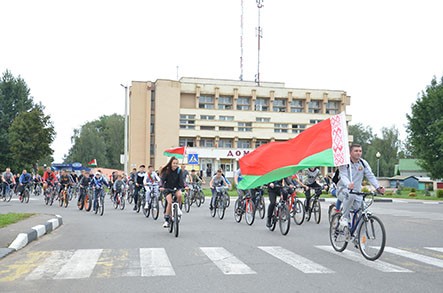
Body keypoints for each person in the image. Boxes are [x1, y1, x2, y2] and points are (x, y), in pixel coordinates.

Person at [338, 144, 385, 229]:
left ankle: (359, 239)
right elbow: (343, 175)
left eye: (360, 151)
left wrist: (378, 187)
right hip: (343, 190)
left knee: (363, 214)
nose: (358, 153)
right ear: (350, 152)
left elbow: (370, 176)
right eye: (356, 151)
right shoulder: (345, 163)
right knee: (351, 195)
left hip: (357, 192)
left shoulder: (363, 163)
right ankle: (344, 217)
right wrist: (348, 184)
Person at [159, 157, 186, 228]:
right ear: (171, 163)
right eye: (174, 163)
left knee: (180, 195)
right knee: (170, 202)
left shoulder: (179, 171)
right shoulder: (167, 170)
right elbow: (162, 179)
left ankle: (178, 209)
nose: (175, 165)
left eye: (176, 163)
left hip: (176, 188)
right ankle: (167, 220)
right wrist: (161, 186)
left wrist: (184, 186)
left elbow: (181, 180)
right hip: (167, 188)